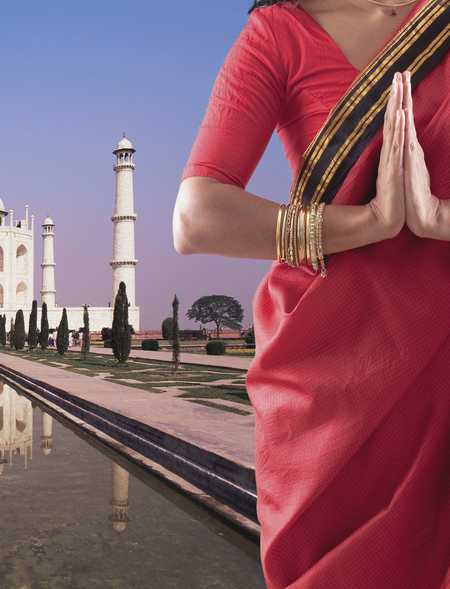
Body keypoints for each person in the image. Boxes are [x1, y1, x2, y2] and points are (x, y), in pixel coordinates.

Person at [172, 1, 450, 587]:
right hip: (330, 383)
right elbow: (196, 218)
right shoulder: (280, 32)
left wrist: (436, 217)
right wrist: (370, 221)